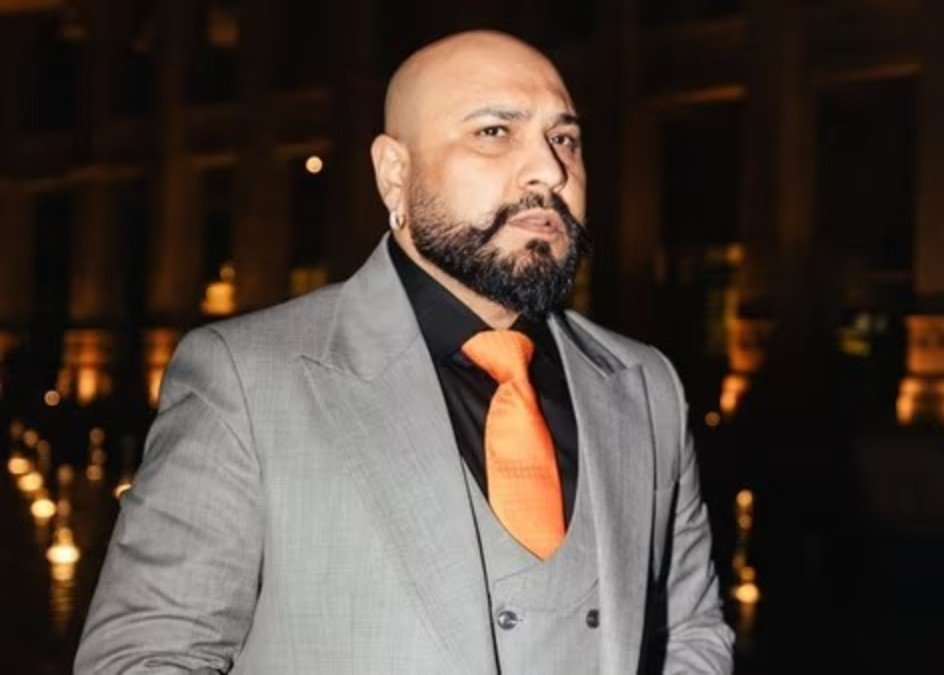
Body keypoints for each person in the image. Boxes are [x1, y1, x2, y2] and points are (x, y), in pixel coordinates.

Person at [75, 30, 733, 674]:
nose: (550, 170)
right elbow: (141, 658)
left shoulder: (645, 383)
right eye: (494, 132)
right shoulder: (246, 377)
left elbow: (689, 632)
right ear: (395, 173)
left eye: (564, 139)